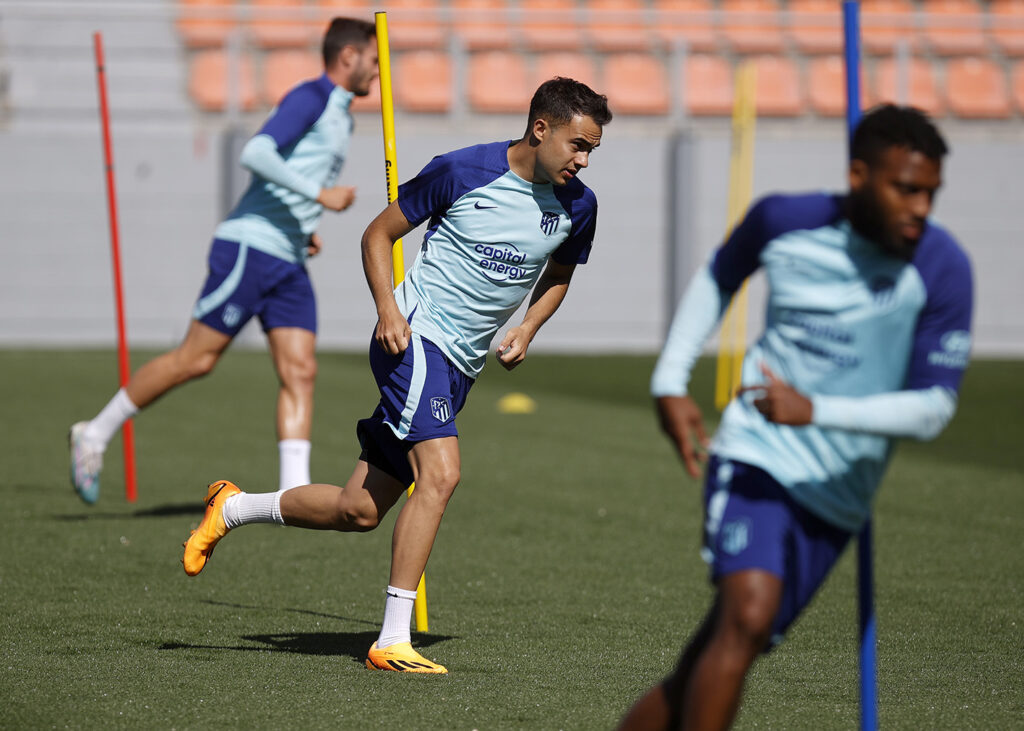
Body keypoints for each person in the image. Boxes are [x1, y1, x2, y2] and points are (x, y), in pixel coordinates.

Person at [180, 78, 613, 674]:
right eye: (578, 145)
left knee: (357, 510)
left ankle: (231, 508)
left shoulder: (579, 205)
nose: (584, 160)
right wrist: (388, 308)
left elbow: (561, 272)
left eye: (593, 150)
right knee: (441, 472)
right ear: (541, 129)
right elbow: (377, 234)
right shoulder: (461, 171)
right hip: (414, 339)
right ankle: (390, 640)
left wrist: (527, 327)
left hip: (462, 365)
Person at [619, 105, 973, 730]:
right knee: (749, 614)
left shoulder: (942, 268)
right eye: (906, 189)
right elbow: (717, 279)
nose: (920, 207)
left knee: (718, 654)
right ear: (859, 175)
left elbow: (932, 409)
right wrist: (670, 381)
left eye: (931, 193)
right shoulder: (784, 220)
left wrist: (816, 411)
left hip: (839, 494)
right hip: (757, 453)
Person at [68, 18, 379, 502]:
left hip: (289, 255)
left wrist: (304, 226)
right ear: (349, 57)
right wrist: (319, 194)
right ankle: (95, 433)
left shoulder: (343, 115)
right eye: (374, 61)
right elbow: (256, 153)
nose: (377, 74)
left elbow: (287, 172)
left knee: (301, 370)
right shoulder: (311, 98)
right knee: (197, 359)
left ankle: (292, 493)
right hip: (250, 248)